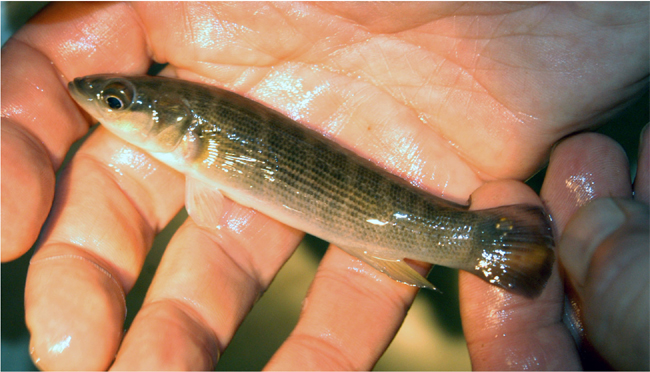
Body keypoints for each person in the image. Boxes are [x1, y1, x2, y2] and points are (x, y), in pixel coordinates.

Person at [2, 2, 647, 370]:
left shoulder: (196, 137)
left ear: (178, 127)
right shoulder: (191, 134)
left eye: (115, 101)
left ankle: (479, 244)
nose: (95, 100)